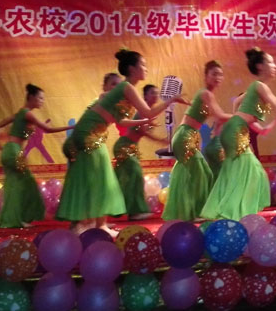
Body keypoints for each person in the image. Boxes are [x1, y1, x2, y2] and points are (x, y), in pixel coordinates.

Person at [57, 48, 184, 234]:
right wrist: (171, 100)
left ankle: (89, 224)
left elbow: (121, 121)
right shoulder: (127, 88)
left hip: (92, 131)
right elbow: (148, 112)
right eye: (143, 65)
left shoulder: (125, 89)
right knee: (100, 177)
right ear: (132, 69)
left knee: (96, 176)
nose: (146, 68)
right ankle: (92, 225)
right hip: (89, 132)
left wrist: (142, 122)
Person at [200, 48, 276, 220]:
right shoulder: (259, 86)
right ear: (260, 66)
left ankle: (229, 211)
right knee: (251, 171)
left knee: (242, 171)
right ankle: (232, 213)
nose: (274, 66)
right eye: (270, 62)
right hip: (236, 130)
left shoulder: (255, 87)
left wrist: (239, 118)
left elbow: (238, 102)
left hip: (236, 129)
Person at [162, 60, 233, 221]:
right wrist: (241, 116)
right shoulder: (205, 94)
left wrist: (217, 129)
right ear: (206, 76)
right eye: (214, 74)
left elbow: (218, 117)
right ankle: (193, 213)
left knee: (203, 173)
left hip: (189, 136)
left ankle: (194, 211)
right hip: (185, 136)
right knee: (199, 174)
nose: (218, 77)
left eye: (220, 74)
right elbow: (220, 115)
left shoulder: (208, 95)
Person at [0, 84, 72, 228]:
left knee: (20, 185)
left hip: (10, 150)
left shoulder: (21, 113)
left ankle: (17, 218)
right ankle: (14, 220)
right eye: (40, 98)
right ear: (31, 97)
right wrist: (71, 127)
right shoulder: (27, 114)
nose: (42, 101)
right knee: (20, 186)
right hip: (14, 151)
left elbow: (5, 121)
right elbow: (48, 129)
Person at [114, 84, 168, 220]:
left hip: (131, 147)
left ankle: (130, 210)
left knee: (130, 178)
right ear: (145, 96)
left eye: (157, 93)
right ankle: (134, 212)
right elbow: (144, 132)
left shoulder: (148, 112)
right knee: (136, 175)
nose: (155, 96)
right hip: (124, 146)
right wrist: (161, 140)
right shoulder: (143, 111)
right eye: (152, 93)